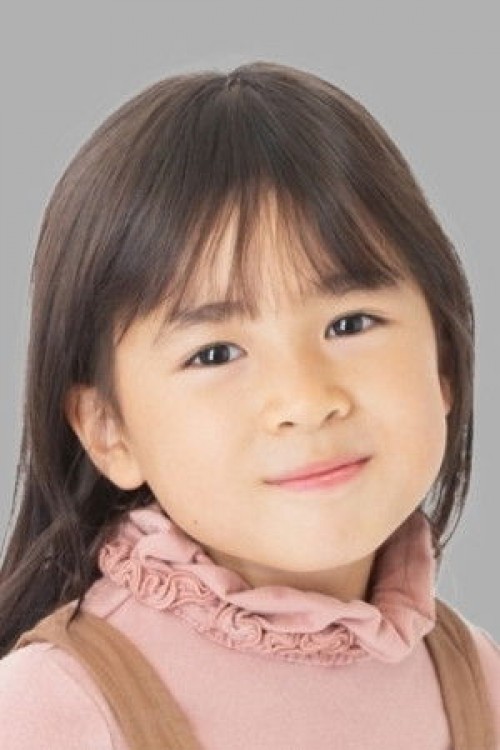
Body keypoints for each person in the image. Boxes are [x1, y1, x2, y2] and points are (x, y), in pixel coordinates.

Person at [0, 60, 498, 749]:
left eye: (350, 324)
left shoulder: (477, 681)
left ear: (442, 358)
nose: (306, 400)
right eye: (214, 354)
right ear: (110, 431)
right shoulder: (54, 708)